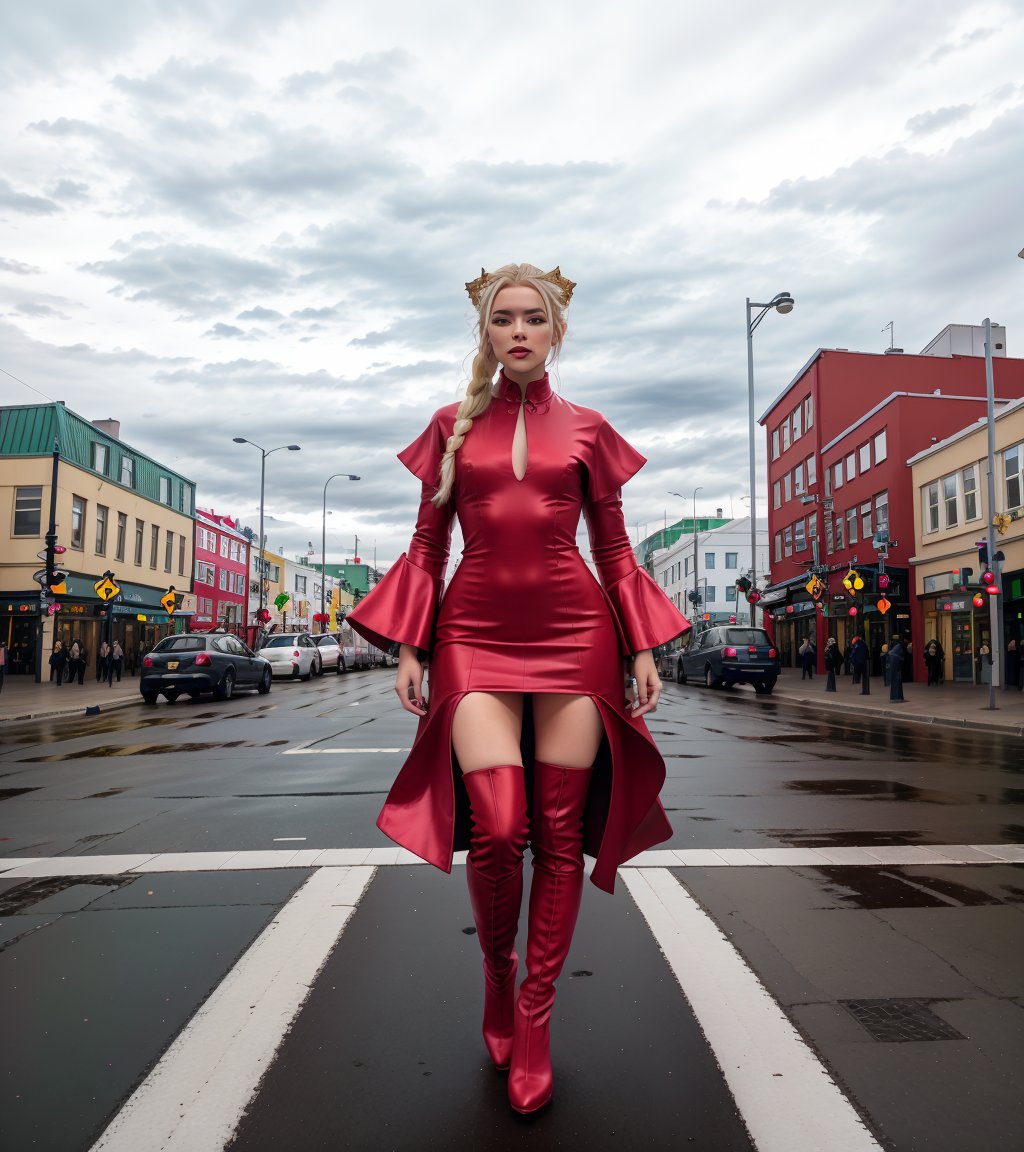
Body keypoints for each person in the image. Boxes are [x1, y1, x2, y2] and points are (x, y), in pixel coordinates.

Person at [347, 263, 689, 1116]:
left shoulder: (588, 431)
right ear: (486, 333)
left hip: (577, 638)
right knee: (499, 827)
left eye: (535, 317)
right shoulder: (450, 429)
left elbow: (614, 552)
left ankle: (534, 1015)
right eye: (504, 319)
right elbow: (427, 549)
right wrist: (410, 647)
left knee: (561, 831)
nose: (520, 332)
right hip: (472, 637)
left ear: (558, 330)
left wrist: (641, 645)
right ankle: (497, 978)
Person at [887, 637, 906, 702]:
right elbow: (900, 656)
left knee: (895, 681)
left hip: (894, 667)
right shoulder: (899, 647)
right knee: (897, 680)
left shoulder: (894, 649)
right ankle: (897, 696)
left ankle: (895, 696)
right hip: (896, 667)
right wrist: (901, 659)